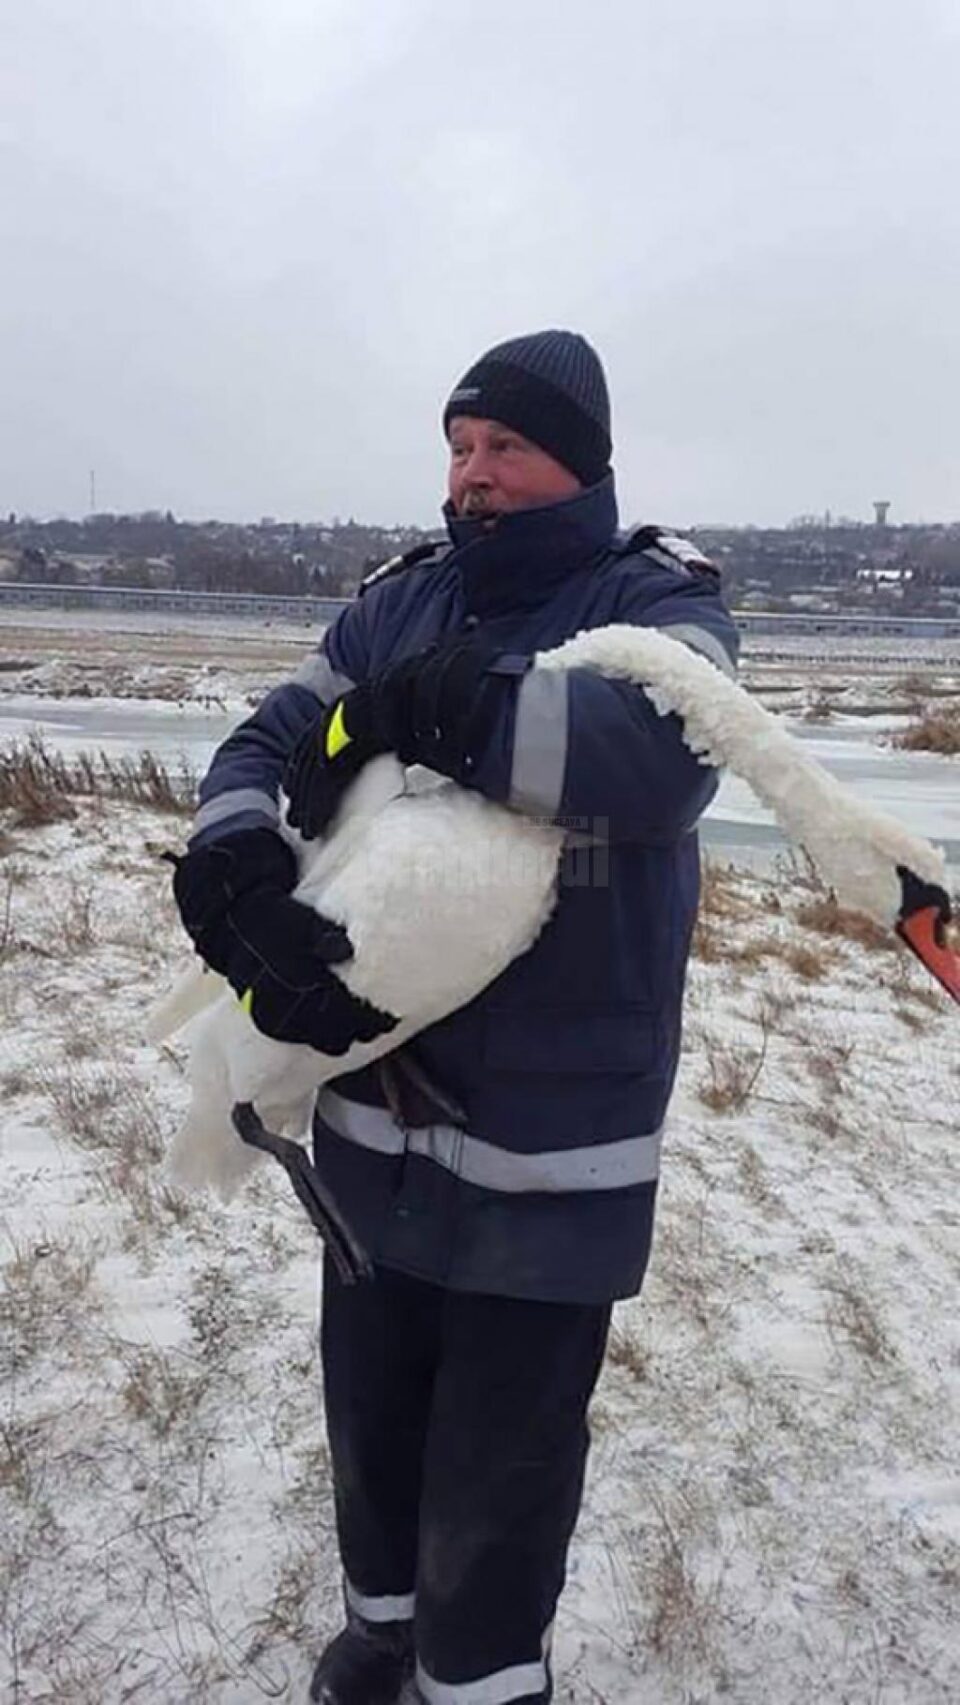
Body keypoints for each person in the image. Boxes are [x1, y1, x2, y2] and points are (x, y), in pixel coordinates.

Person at [171, 330, 739, 1705]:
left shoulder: (659, 605)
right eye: (459, 445)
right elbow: (271, 736)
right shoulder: (401, 602)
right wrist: (234, 847)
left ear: (581, 464)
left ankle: (480, 1680)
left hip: (558, 1136)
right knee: (373, 1413)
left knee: (506, 1452)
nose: (470, 474)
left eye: (506, 447)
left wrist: (455, 706)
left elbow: (661, 757)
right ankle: (380, 1633)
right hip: (379, 1113)